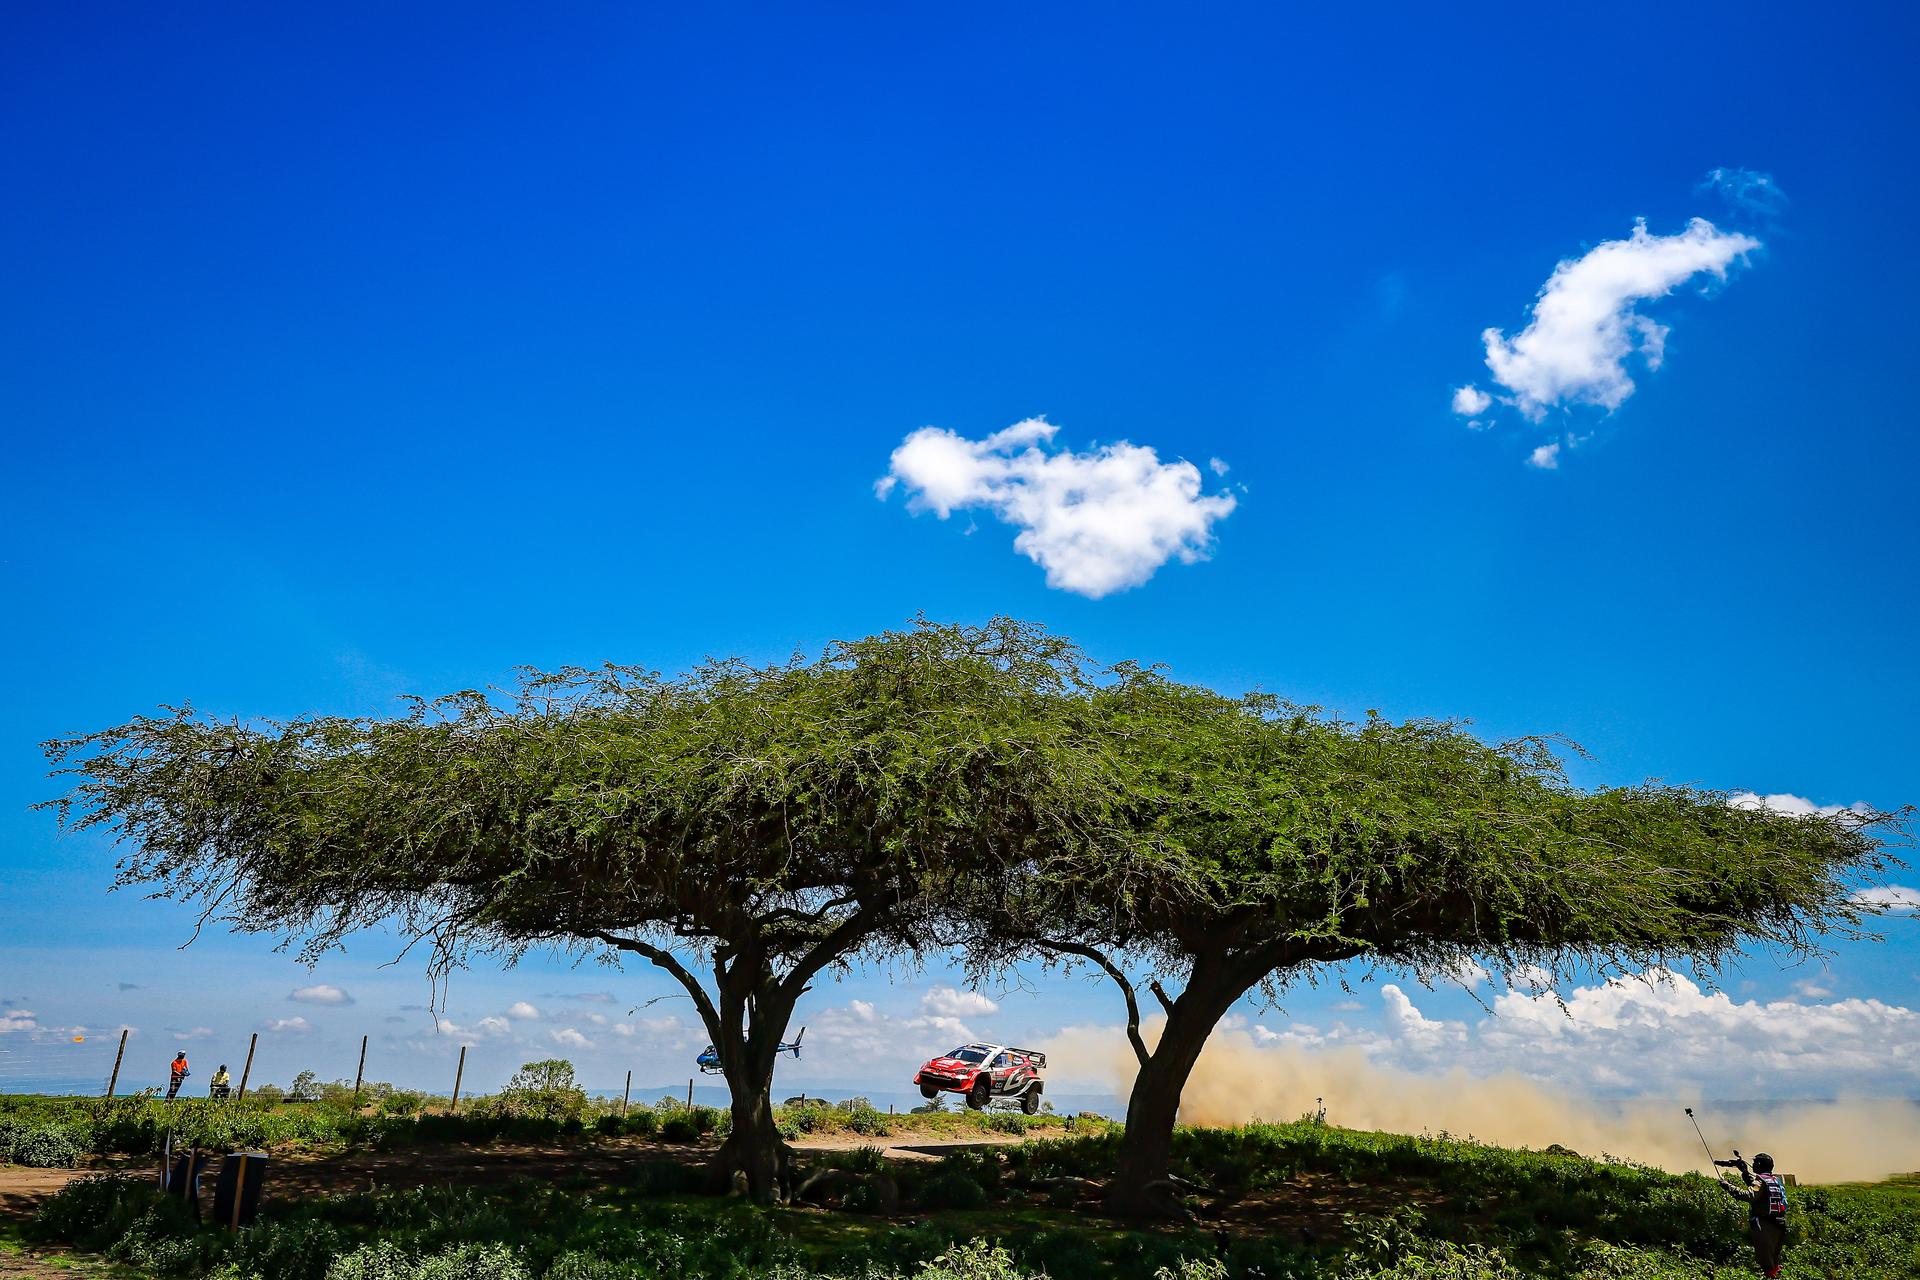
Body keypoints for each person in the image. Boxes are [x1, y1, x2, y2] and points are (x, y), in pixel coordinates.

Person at [1717, 1151, 1788, 1278]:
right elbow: (1759, 1188)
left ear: (1760, 1164)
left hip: (1765, 1225)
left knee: (1766, 1263)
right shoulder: (1775, 1180)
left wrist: (1727, 1186)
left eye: (1755, 1162)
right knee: (1774, 1260)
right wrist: (1745, 1172)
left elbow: (1750, 1195)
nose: (1753, 1164)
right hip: (1779, 1223)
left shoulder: (1760, 1180)